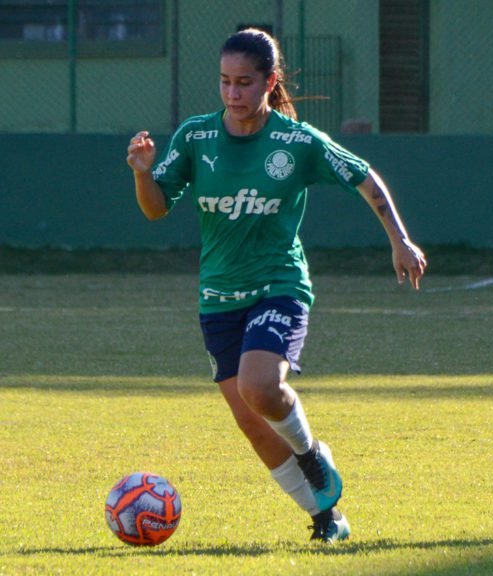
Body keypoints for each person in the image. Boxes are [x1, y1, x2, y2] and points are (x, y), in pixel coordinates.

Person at [125, 28, 427, 543]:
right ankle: (326, 519)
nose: (233, 93)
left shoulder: (296, 141)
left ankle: (312, 456)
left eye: (244, 82)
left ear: (270, 82)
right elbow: (156, 208)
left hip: (278, 287)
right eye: (224, 82)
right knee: (251, 423)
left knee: (260, 386)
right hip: (218, 298)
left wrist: (399, 239)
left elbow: (364, 177)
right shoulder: (196, 138)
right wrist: (141, 173)